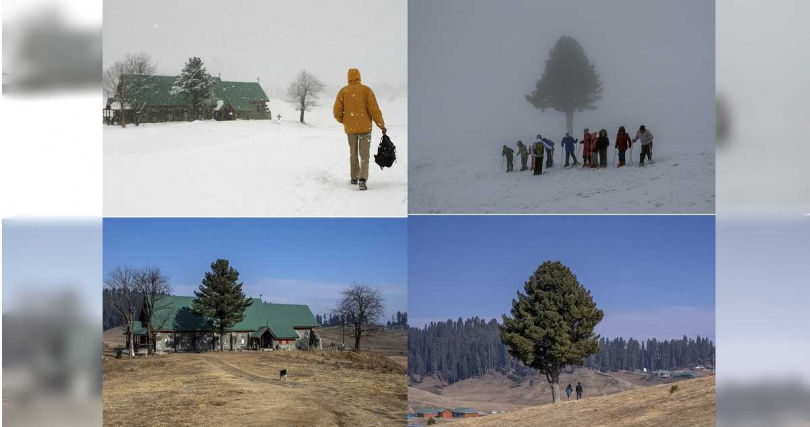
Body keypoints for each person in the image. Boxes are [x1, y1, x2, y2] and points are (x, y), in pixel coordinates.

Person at [333, 68, 386, 191]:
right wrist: (381, 125)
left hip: (350, 129)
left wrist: (344, 120)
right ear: (359, 77)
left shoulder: (343, 91)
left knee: (353, 153)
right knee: (364, 155)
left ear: (348, 77)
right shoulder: (366, 90)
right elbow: (374, 110)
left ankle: (354, 177)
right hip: (365, 129)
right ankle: (362, 180)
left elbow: (336, 111)